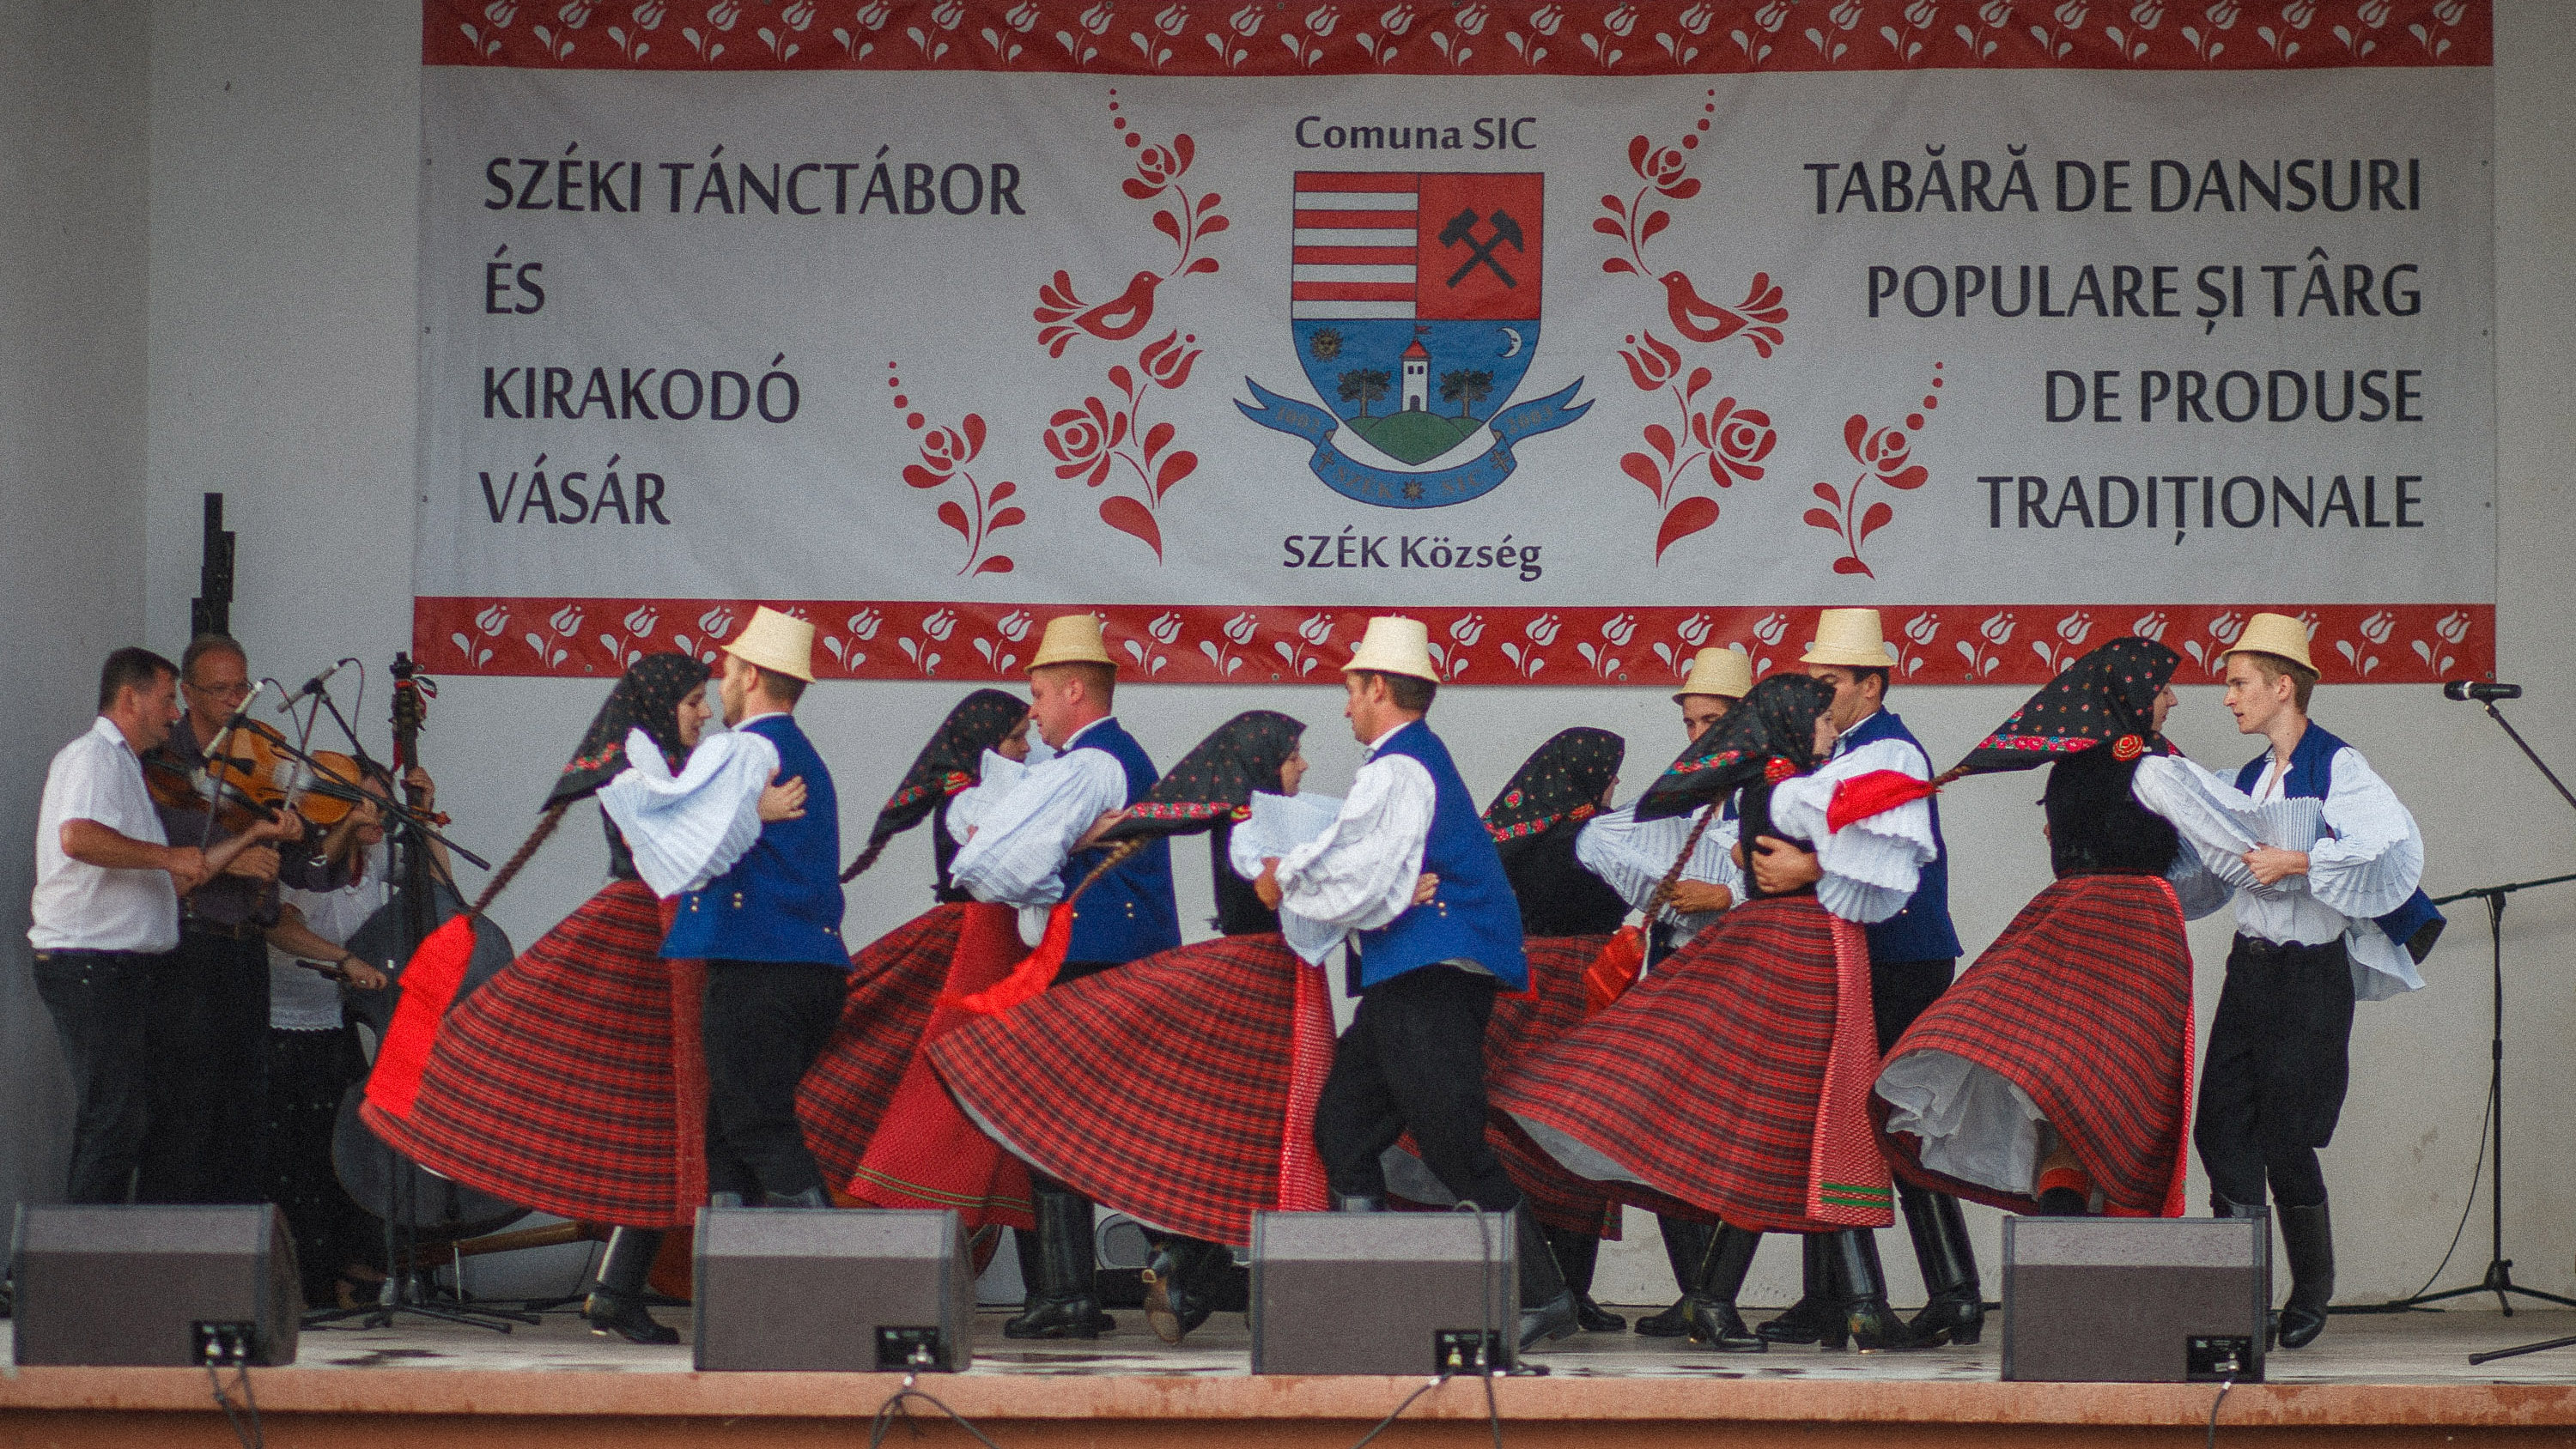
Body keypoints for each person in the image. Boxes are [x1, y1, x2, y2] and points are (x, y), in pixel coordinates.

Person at [1492, 674, 1941, 1353]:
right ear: (1793, 725)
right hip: (1800, 954)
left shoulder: (1781, 784)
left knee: (1804, 1124)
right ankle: (1823, 1303)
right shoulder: (1790, 787)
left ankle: (1822, 1302)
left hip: (1807, 950)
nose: (1830, 734)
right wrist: (1825, 855)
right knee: (1803, 1119)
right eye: (1821, 722)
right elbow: (1859, 860)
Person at [364, 652, 793, 1343]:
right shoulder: (636, 767)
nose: (706, 713)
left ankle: (619, 1291)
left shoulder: (665, 761)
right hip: (638, 941)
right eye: (693, 702)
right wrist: (755, 806)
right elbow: (678, 841)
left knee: (663, 1123)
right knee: (664, 1117)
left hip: (663, 939)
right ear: (660, 707)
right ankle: (635, 1293)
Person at [931, 711, 1321, 1346]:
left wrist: (1079, 838)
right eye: (1293, 754)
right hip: (1244, 994)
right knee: (1157, 1133)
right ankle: (1184, 1269)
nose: (1303, 766)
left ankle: (1154, 1275)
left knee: (1088, 1128)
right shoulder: (1247, 819)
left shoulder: (1237, 815)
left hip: (1220, 991)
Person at [1250, 616, 1578, 1352]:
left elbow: (1361, 864)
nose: (1346, 708)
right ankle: (1370, 1291)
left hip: (1435, 968)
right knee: (1343, 1123)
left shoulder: (1399, 767)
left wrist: (1285, 879)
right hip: (1412, 969)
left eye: (1351, 691)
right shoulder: (1407, 763)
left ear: (1377, 689)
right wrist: (1375, 887)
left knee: (1451, 1139)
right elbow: (1379, 872)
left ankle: (1546, 1295)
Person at [2131, 613, 2428, 1349]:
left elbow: (2386, 845)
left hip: (2309, 977)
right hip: (2252, 970)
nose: (2228, 699)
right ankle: (2242, 1300)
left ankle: (2314, 1284)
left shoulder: (2340, 767)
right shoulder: (2246, 778)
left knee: (2289, 1137)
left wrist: (2295, 861)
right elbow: (2207, 873)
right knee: (2221, 1130)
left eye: (2239, 684)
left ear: (2282, 686)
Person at [1874, 639, 2228, 1233]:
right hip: (2138, 937)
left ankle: (2059, 1250)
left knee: (2064, 1096)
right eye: (2163, 688)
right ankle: (2099, 1263)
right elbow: (2220, 849)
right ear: (2135, 698)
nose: (2172, 698)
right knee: (2127, 1104)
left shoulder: (2068, 771)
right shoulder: (2157, 764)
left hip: (2065, 923)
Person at [945, 612, 1182, 1339]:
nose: (1036, 710)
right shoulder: (1093, 765)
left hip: (1091, 958)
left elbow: (1003, 857)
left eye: (1041, 694)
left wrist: (1039, 867)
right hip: (1105, 954)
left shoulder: (1091, 764)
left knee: (1051, 1122)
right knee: (1089, 1124)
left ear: (1075, 690)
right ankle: (1101, 1283)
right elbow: (1010, 834)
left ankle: (1087, 1288)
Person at [1763, 609, 1982, 1347]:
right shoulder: (1849, 747)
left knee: (1885, 1118)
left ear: (1872, 684)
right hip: (1871, 949)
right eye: (1814, 682)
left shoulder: (1890, 752)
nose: (1820, 695)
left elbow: (1886, 855)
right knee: (1846, 1116)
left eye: (1831, 682)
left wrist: (1807, 865)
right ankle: (1842, 1292)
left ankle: (1951, 1288)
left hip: (1899, 952)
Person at [797, 688, 1038, 1235]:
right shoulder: (967, 799)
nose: (1026, 748)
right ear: (984, 745)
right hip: (971, 946)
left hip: (986, 943)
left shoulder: (984, 789)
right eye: (1015, 738)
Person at [32, 648, 270, 1204]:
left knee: (130, 1117)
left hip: (124, 969)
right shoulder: (92, 757)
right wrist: (167, 858)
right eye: (167, 700)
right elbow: (78, 838)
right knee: (115, 1118)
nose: (171, 714)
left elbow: (178, 877)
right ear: (129, 698)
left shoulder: (128, 769)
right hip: (91, 964)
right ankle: (81, 1263)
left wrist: (249, 838)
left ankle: (99, 1254)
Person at [1569, 645, 1749, 1336]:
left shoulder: (1777, 784)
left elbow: (1817, 875)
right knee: (1668, 1131)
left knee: (1737, 1136)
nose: (1698, 736)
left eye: (1711, 722)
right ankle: (1697, 1291)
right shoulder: (1688, 790)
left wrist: (1726, 894)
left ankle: (1720, 1293)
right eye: (1691, 723)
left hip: (1742, 973)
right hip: (1680, 968)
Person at [650, 608, 844, 1220]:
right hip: (804, 965)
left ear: (753, 675)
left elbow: (681, 838)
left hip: (757, 966)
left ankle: (841, 1282)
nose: (721, 685)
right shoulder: (799, 752)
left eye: (729, 669)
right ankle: (732, 1292)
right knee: (729, 1133)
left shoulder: (744, 751)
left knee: (756, 1124)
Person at [139, 634, 324, 1204]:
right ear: (188, 694)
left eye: (241, 686)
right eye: (219, 689)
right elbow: (158, 850)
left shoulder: (259, 754)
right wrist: (237, 855)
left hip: (247, 948)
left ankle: (231, 1258)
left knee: (246, 1108)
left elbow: (307, 870)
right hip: (190, 947)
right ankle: (168, 1256)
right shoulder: (160, 759)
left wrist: (306, 831)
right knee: (188, 1108)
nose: (234, 698)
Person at [1478, 727, 1631, 1334]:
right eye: (1611, 773)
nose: (1616, 784)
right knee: (1580, 1140)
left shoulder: (1520, 835)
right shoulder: (1601, 837)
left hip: (1525, 990)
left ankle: (1533, 1286)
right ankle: (1572, 1287)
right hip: (1585, 991)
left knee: (1517, 1139)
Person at [263, 769, 396, 1308]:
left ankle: (352, 1271)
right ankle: (307, 1285)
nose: (378, 819)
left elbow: (442, 890)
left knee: (351, 1150)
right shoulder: (308, 863)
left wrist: (427, 820)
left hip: (340, 1020)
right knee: (301, 1159)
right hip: (286, 1020)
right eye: (367, 807)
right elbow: (279, 925)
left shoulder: (380, 859)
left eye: (385, 809)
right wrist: (343, 959)